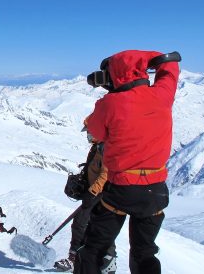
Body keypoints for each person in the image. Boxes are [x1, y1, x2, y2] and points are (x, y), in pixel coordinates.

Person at [78, 50, 180, 273]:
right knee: (144, 253)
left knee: (94, 248)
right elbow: (171, 67)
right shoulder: (162, 95)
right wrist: (153, 58)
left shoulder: (109, 104)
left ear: (115, 73)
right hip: (156, 192)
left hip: (122, 189)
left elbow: (96, 133)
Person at [54, 141, 115, 273]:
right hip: (95, 192)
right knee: (93, 226)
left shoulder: (106, 147)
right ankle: (103, 260)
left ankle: (76, 259)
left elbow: (105, 174)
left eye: (90, 131)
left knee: (80, 224)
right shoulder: (97, 146)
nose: (88, 135)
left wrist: (92, 192)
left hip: (100, 194)